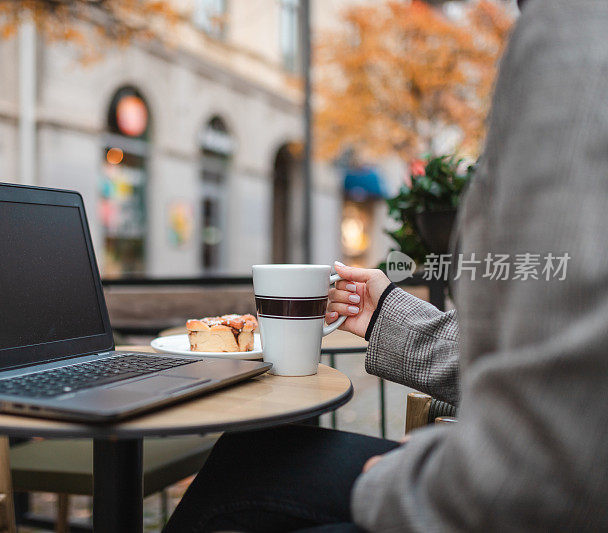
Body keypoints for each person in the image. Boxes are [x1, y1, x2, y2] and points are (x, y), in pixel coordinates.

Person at [164, 0, 608, 530]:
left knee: (241, 481)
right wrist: (387, 316)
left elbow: (550, 459)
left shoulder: (574, 33)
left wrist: (397, 477)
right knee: (245, 458)